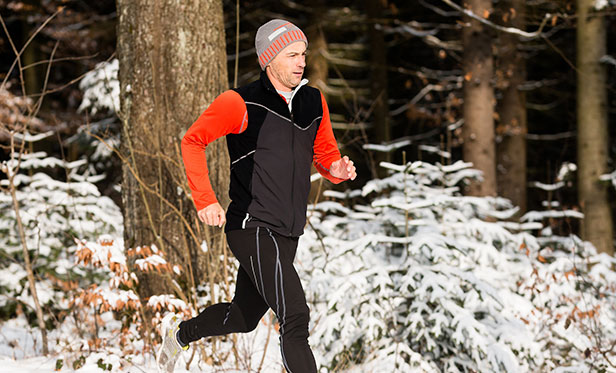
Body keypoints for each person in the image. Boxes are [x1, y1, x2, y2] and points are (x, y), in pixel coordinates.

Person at [156, 19, 356, 373]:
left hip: (288, 231)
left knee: (243, 317)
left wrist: (335, 170)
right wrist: (205, 199)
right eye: (292, 54)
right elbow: (193, 141)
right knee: (294, 314)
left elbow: (325, 156)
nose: (301, 62)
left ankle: (180, 335)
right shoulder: (240, 102)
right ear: (269, 58)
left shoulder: (314, 102)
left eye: (303, 55)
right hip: (251, 226)